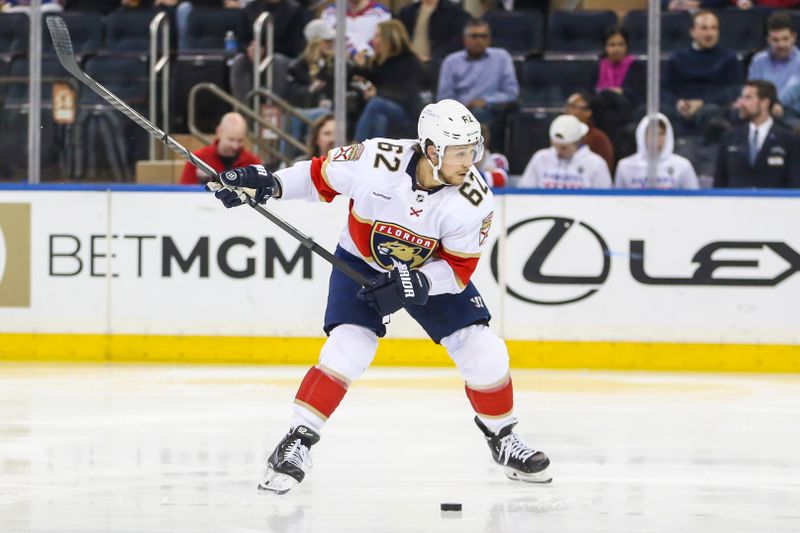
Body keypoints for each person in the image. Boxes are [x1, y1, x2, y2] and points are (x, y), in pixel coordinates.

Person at [207, 99, 552, 493]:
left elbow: (458, 270)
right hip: (361, 259)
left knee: (484, 350)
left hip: (430, 271)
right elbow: (318, 176)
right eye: (460, 152)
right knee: (349, 346)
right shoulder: (376, 159)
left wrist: (419, 282)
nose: (469, 161)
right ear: (432, 150)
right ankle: (296, 442)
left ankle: (503, 439)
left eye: (473, 151)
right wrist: (269, 183)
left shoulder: (474, 200)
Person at [437, 19, 519, 151]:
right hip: (457, 112)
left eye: (483, 36)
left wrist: (485, 101)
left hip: (491, 110)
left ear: (489, 39)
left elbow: (511, 92)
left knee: (480, 113)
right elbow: (443, 97)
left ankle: (482, 158)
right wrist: (461, 107)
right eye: (474, 36)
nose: (479, 40)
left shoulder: (502, 57)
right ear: (465, 39)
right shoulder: (451, 61)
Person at [662, 10, 743, 135]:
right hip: (680, 105)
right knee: (655, 112)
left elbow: (734, 90)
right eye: (704, 28)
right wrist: (678, 103)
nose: (709, 33)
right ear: (692, 32)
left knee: (711, 112)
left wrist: (702, 102)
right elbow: (664, 88)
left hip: (713, 106)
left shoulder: (729, 58)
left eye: (713, 28)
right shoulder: (677, 58)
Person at [352, 20, 430, 141]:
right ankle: (375, 156)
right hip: (386, 114)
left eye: (377, 36)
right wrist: (358, 67)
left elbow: (408, 96)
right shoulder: (380, 62)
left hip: (408, 115)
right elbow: (363, 75)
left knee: (376, 103)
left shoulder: (410, 62)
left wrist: (377, 93)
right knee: (380, 119)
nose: (373, 41)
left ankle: (356, 147)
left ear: (388, 39)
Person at [715, 80, 800, 188]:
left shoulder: (789, 140)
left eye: (748, 98)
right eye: (742, 97)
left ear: (764, 102)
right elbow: (719, 183)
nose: (741, 103)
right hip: (736, 203)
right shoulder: (729, 138)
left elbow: (795, 183)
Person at [518, 114, 612, 189]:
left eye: (564, 148)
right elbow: (525, 190)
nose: (558, 151)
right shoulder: (540, 158)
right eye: (555, 146)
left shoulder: (596, 164)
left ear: (577, 142)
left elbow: (605, 199)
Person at [615, 114, 699, 189]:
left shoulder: (683, 166)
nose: (656, 139)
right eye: (652, 133)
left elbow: (694, 199)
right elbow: (616, 200)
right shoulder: (625, 166)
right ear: (642, 135)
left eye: (661, 134)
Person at [179, 112, 261, 185]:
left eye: (240, 140)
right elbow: (184, 193)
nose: (235, 146)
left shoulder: (253, 162)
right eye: (231, 139)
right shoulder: (198, 159)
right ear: (219, 132)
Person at [397, 0, 470, 62]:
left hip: (438, 65)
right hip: (410, 65)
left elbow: (457, 41)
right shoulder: (407, 12)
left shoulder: (455, 13)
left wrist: (434, 58)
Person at [320, 0, 392, 58]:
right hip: (337, 69)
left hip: (371, 68)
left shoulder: (381, 13)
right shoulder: (329, 13)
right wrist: (352, 54)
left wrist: (361, 55)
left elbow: (384, 42)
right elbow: (326, 43)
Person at [565, 92, 615, 173]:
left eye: (573, 106)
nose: (567, 110)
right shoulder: (560, 133)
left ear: (588, 112)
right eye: (568, 106)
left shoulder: (598, 138)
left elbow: (604, 169)